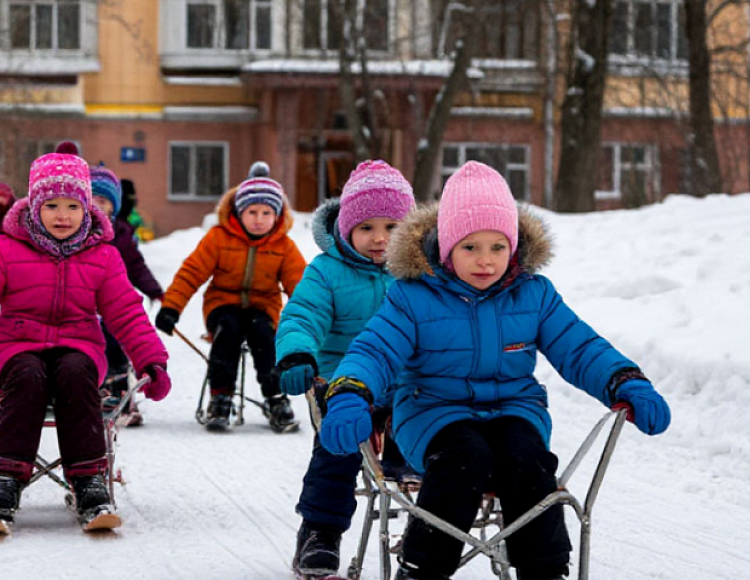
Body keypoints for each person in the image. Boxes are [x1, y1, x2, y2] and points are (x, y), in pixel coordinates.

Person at [318, 162, 673, 580]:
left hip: (513, 411)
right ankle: (421, 568)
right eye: (470, 247)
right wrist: (349, 392)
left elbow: (579, 346)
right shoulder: (411, 297)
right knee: (466, 457)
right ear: (446, 247)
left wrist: (624, 380)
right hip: (433, 414)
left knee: (528, 460)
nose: (485, 261)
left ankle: (545, 571)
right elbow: (375, 349)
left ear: (515, 247)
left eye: (497, 247)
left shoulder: (534, 295)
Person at [0, 151, 172, 530]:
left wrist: (151, 361)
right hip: (15, 346)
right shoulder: (6, 249)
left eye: (72, 206)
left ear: (87, 209)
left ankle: (89, 481)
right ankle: (4, 481)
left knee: (76, 374)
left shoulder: (103, 256)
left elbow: (127, 312)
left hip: (79, 346)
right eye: (51, 205)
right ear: (34, 205)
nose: (62, 215)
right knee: (28, 376)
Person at [272, 161, 416, 579]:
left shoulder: (419, 275)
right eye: (367, 227)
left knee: (430, 450)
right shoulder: (326, 271)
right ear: (346, 228)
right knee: (338, 450)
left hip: (405, 386)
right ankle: (320, 533)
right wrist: (299, 354)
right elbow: (302, 316)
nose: (379, 238)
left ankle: (425, 531)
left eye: (392, 226)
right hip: (340, 384)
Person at [156, 173, 307, 432]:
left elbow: (301, 287)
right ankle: (221, 396)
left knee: (265, 336)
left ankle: (276, 397)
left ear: (277, 215)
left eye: (266, 213)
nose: (259, 220)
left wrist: (310, 320)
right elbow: (192, 272)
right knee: (229, 331)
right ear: (239, 212)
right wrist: (171, 307)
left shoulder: (283, 246)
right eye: (252, 212)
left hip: (263, 307)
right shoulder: (219, 238)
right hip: (222, 304)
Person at [89, 165, 163, 425]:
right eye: (91, 199)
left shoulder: (121, 234)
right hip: (83, 302)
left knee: (114, 335)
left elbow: (136, 265)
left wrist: (154, 290)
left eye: (103, 201)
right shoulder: (74, 231)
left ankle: (118, 385)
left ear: (113, 207)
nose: (96, 206)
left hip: (113, 300)